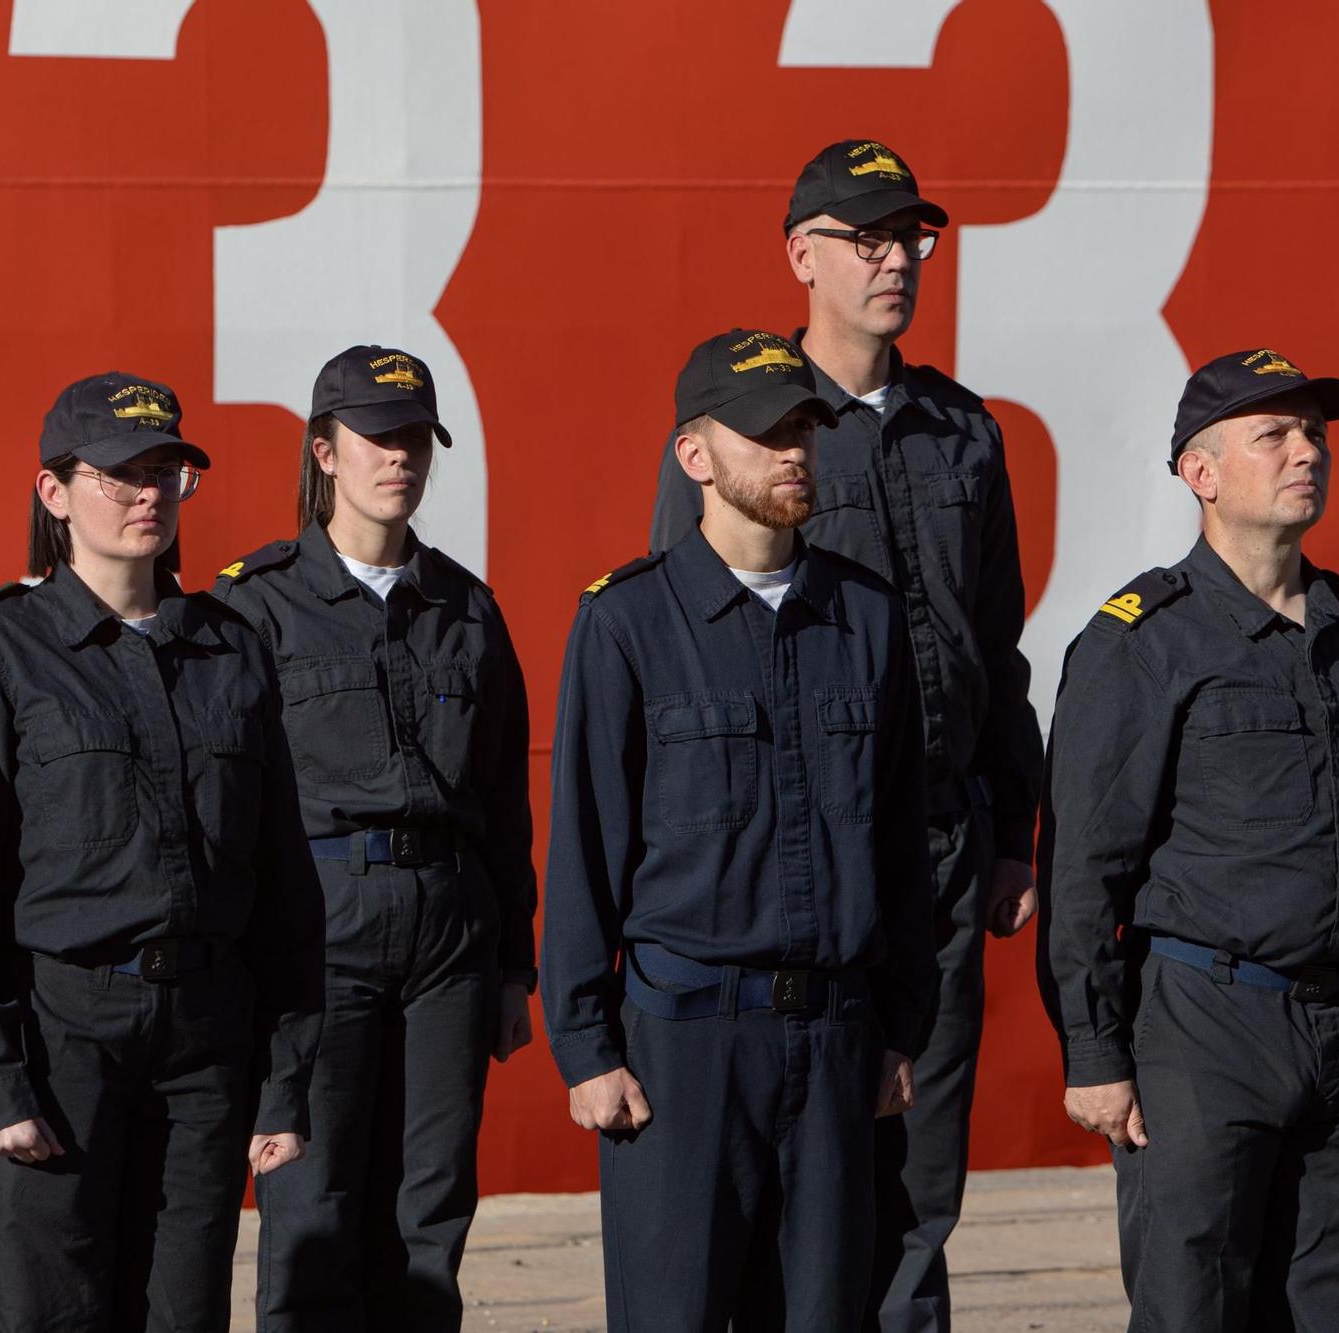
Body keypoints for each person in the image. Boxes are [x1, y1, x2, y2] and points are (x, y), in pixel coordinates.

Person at [649, 139, 1042, 1333]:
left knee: (920, 1176)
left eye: (909, 238)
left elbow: (998, 646)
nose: (894, 262)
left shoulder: (962, 431)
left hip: (934, 848)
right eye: (865, 238)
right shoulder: (745, 425)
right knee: (796, 1174)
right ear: (799, 254)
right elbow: (681, 634)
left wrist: (1012, 828)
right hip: (796, 862)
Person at [0, 372, 324, 1331]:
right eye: (122, 473)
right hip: (63, 1040)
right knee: (52, 1312)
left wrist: (283, 1077)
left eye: (167, 470)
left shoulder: (231, 650)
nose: (149, 493)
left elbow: (283, 884)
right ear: (54, 493)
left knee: (185, 1312)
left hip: (205, 1045)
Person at [545, 329, 935, 1330]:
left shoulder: (867, 618)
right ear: (695, 455)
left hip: (837, 1036)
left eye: (800, 426)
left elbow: (899, 844)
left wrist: (899, 1028)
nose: (791, 450)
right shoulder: (625, 623)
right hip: (685, 1042)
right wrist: (585, 1045)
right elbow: (585, 843)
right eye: (763, 433)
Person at [1037, 349, 1339, 1331]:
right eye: (1274, 435)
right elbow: (1082, 863)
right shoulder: (1141, 640)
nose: (1305, 452)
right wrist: (1091, 1050)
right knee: (1193, 1303)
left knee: (1330, 1303)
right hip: (1207, 1027)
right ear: (1199, 473)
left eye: (1314, 435)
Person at [213, 345, 537, 1331]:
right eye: (377, 438)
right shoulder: (254, 605)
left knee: (428, 1216)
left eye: (414, 440)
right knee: (313, 1209)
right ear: (323, 450)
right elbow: (228, 810)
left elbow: (502, 802)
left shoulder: (466, 608)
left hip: (447, 937)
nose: (398, 458)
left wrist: (512, 968)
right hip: (320, 934)